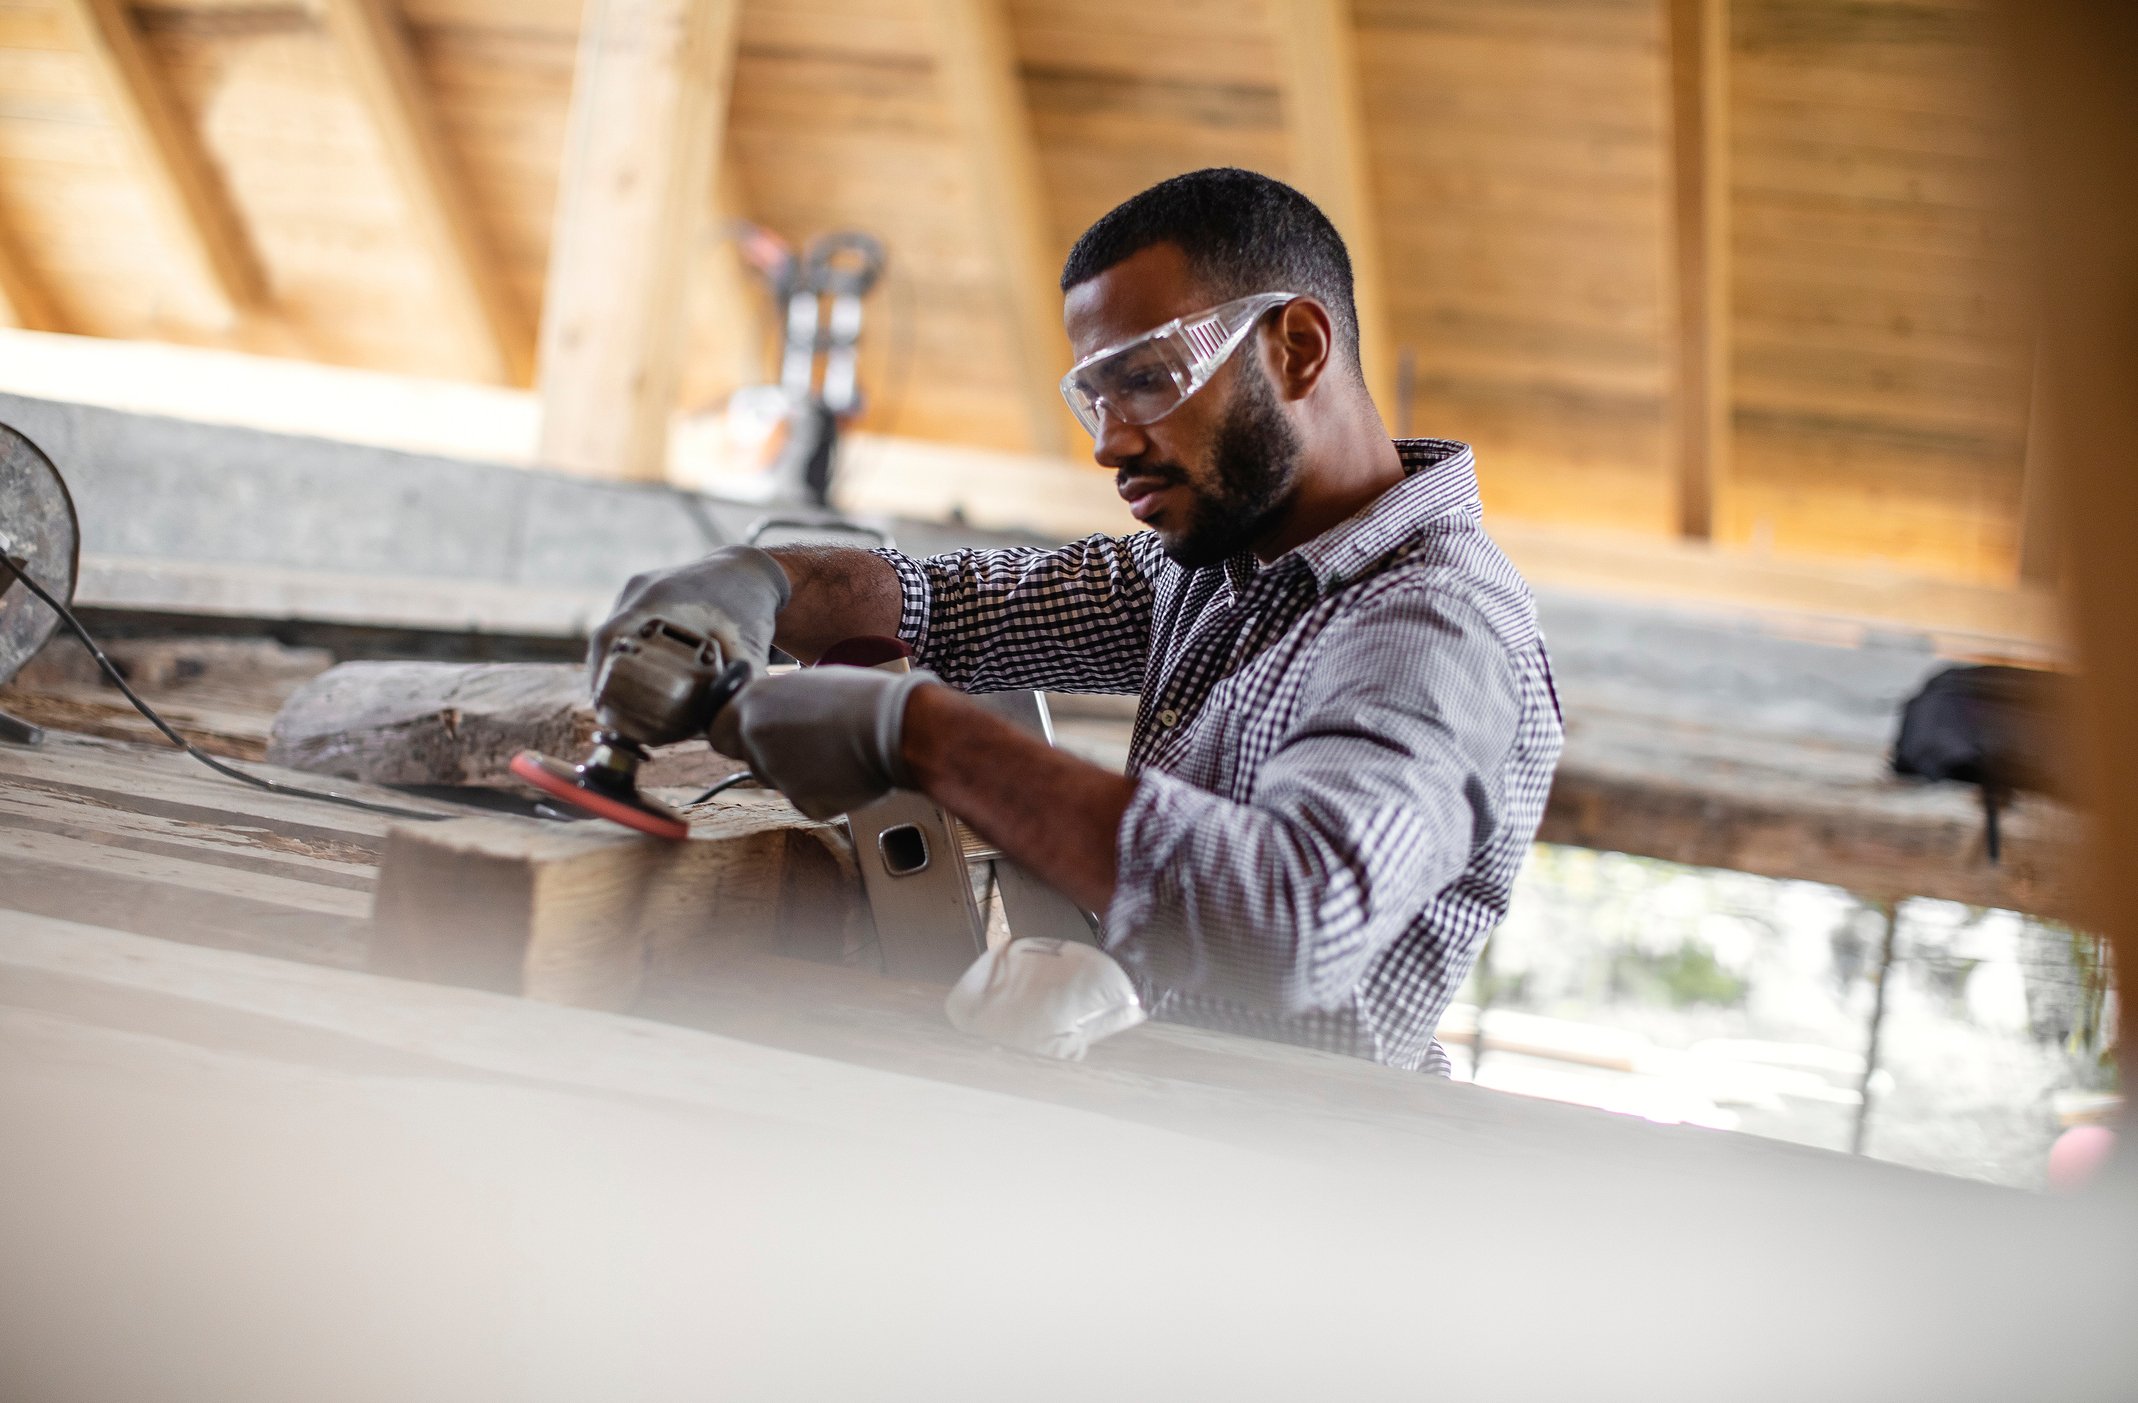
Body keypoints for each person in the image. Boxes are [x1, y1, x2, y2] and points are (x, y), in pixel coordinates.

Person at [594, 168, 1564, 1073]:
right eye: (1091, 396)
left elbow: (1288, 918)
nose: (1107, 442)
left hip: (1291, 1196)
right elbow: (958, 608)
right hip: (1141, 1142)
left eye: (1144, 379)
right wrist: (754, 579)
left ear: (1295, 349)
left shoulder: (1435, 627)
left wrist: (915, 732)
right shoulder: (1221, 561)